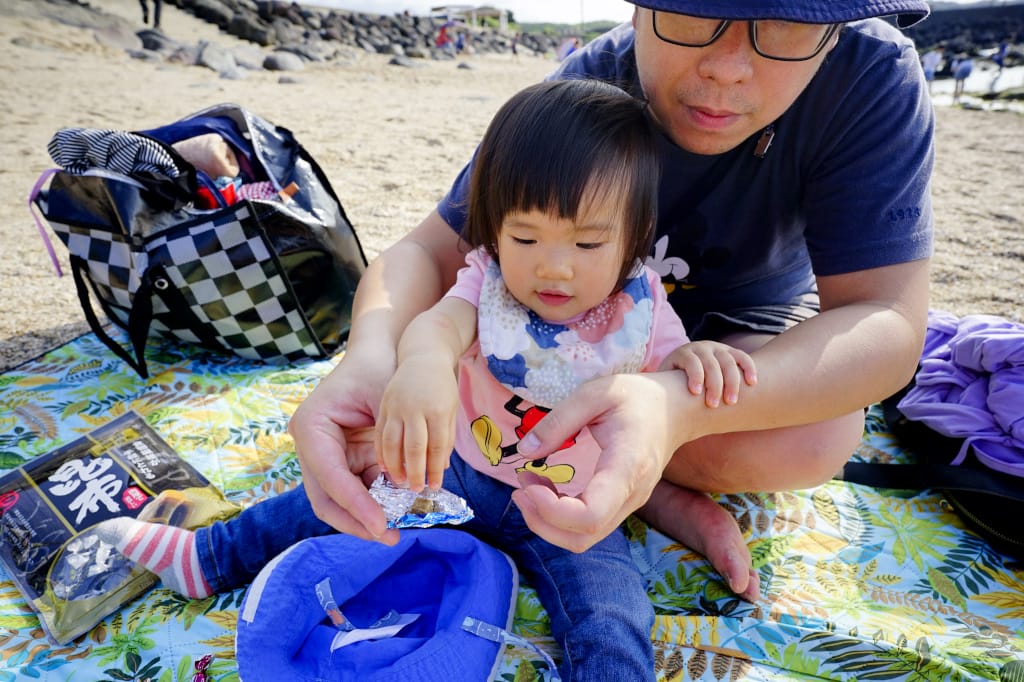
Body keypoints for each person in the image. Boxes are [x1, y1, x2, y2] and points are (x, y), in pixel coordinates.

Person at [95, 79, 757, 680]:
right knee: (333, 495)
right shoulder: (488, 282)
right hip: (455, 469)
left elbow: (667, 380)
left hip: (568, 506)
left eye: (586, 245)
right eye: (526, 239)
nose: (554, 270)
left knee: (614, 610)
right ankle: (207, 556)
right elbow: (439, 326)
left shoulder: (640, 307)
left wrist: (695, 362)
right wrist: (421, 366)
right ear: (495, 230)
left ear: (634, 238)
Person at [289, 0, 935, 602]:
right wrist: (372, 360)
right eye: (695, 9)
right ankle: (641, 483)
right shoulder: (583, 98)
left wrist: (674, 410)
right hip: (565, 340)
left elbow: (887, 321)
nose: (729, 67)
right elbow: (429, 253)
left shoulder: (869, 79)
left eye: (787, 22)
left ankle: (632, 467)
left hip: (730, 346)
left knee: (818, 435)